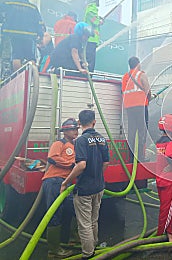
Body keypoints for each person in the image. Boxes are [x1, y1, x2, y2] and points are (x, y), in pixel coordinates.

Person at [60, 110, 109, 259]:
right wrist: (97, 176)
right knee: (94, 220)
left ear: (79, 124)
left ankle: (88, 254)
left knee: (85, 223)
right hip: (99, 187)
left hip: (85, 189)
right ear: (94, 122)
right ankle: (93, 245)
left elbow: (81, 165)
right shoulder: (102, 139)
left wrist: (65, 182)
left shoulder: (81, 140)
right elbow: (106, 163)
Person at [43, 118, 78, 258]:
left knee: (73, 209)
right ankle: (54, 250)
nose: (75, 132)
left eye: (76, 129)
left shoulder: (75, 146)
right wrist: (70, 165)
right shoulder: (59, 143)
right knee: (54, 213)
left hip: (66, 183)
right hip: (54, 181)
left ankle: (73, 239)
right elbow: (52, 158)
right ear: (65, 131)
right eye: (72, 129)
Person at [121, 56, 151, 188]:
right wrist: (148, 99)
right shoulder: (141, 74)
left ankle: (130, 157)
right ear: (138, 64)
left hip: (129, 107)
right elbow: (147, 89)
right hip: (140, 106)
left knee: (132, 132)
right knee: (142, 131)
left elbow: (124, 91)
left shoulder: (125, 76)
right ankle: (141, 157)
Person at [0, 0, 45, 72]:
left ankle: (18, 76)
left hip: (11, 34)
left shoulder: (7, 4)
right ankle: (31, 77)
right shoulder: (33, 7)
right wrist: (41, 36)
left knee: (16, 55)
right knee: (30, 57)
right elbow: (39, 23)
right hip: (29, 36)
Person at [155, 114, 172, 242]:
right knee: (168, 208)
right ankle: (164, 235)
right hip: (169, 179)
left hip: (160, 178)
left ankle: (167, 231)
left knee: (165, 207)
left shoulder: (159, 142)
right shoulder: (170, 142)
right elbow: (170, 155)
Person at [84, 0, 102, 72]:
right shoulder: (91, 10)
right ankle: (88, 75)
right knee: (90, 61)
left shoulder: (92, 9)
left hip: (92, 40)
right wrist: (100, 21)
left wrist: (99, 19)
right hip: (90, 39)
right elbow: (95, 21)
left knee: (90, 60)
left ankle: (89, 74)